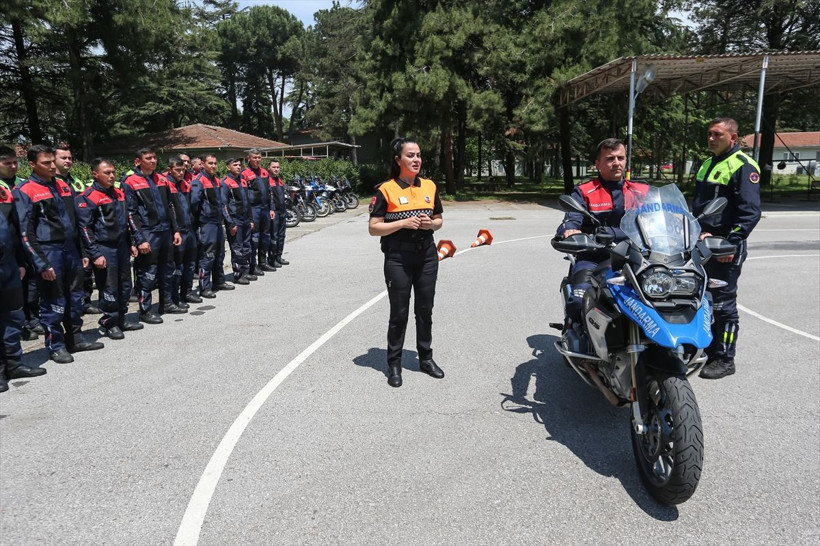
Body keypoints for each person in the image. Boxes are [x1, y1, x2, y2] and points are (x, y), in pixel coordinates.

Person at [14, 145, 104, 363]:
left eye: (52, 161)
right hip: (48, 251)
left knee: (75, 295)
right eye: (46, 163)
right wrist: (41, 263)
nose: (52, 166)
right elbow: (25, 232)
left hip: (71, 251)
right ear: (32, 165)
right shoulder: (25, 191)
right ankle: (56, 345)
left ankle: (76, 338)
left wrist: (82, 250)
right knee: (53, 300)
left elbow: (75, 222)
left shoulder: (63, 186)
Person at [368, 137, 444, 388]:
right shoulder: (386, 189)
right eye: (410, 155)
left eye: (419, 155)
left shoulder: (430, 186)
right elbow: (374, 228)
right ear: (398, 159)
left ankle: (425, 358)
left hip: (427, 256)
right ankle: (394, 363)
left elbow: (439, 219)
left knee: (425, 309)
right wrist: (402, 223)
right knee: (399, 313)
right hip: (398, 259)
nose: (416, 160)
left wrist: (430, 224)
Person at [692, 117, 761, 380]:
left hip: (724, 246)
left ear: (733, 137)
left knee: (723, 304)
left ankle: (724, 357)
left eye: (717, 135)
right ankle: (708, 347)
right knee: (702, 296)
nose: (711, 138)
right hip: (702, 243)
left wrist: (730, 242)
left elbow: (750, 213)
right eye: (709, 134)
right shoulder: (708, 163)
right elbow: (700, 206)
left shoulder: (743, 165)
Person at [555, 138, 649, 325]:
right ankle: (576, 335)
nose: (616, 163)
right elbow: (572, 218)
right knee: (579, 301)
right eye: (610, 159)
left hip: (637, 258)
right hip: (594, 257)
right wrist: (569, 230)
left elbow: (658, 220)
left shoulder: (642, 191)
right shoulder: (584, 191)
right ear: (598, 164)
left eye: (620, 158)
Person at [76, 159, 143, 339]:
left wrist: (131, 243)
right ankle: (109, 322)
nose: (111, 176)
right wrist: (95, 253)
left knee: (125, 285)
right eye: (107, 172)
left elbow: (125, 222)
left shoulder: (119, 194)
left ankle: (121, 319)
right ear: (95, 174)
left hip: (121, 246)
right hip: (104, 248)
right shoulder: (88, 197)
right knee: (109, 286)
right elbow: (84, 228)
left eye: (113, 172)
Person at [121, 147, 183, 324]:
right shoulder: (130, 182)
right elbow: (130, 213)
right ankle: (145, 310)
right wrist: (139, 239)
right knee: (147, 273)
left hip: (165, 232)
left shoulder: (162, 179)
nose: (153, 161)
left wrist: (175, 230)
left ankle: (167, 303)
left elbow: (171, 207)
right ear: (137, 162)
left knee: (167, 269)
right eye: (148, 158)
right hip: (148, 233)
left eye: (155, 157)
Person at [1, 158, 47, 391]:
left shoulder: (6, 192)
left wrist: (20, 261)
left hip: (8, 265)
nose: (12, 166)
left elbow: (16, 229)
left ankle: (14, 363)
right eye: (5, 162)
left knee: (13, 316)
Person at [0, 145, 41, 341]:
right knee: (17, 288)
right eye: (7, 163)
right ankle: (21, 323)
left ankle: (33, 317)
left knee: (32, 283)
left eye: (15, 162)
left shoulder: (23, 183)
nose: (13, 166)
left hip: (28, 242)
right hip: (10, 247)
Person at [55, 144, 101, 316]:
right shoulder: (53, 183)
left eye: (70, 158)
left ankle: (85, 301)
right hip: (62, 237)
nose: (68, 161)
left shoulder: (76, 182)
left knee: (85, 271)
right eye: (63, 158)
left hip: (80, 232)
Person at [190, 154, 234, 298]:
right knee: (207, 256)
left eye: (215, 163)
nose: (213, 166)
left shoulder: (216, 180)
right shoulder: (198, 181)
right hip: (206, 223)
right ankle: (204, 287)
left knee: (220, 253)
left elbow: (221, 203)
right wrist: (201, 219)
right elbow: (194, 204)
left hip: (217, 222)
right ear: (202, 164)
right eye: (210, 163)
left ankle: (219, 281)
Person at [164, 156, 200, 306]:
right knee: (177, 267)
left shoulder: (185, 184)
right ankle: (174, 297)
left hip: (189, 228)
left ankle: (187, 292)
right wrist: (175, 230)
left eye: (182, 170)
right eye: (177, 170)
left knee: (190, 264)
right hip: (177, 231)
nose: (180, 172)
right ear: (169, 170)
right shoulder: (166, 186)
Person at [220, 157, 254, 284]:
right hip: (235, 220)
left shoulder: (243, 181)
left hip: (245, 219)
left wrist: (251, 219)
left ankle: (245, 271)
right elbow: (223, 205)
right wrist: (230, 223)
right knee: (237, 248)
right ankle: (238, 274)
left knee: (247, 247)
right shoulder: (225, 182)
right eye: (235, 165)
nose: (238, 167)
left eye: (240, 165)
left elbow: (248, 202)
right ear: (228, 167)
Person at [242, 149, 274, 275]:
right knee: (254, 238)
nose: (257, 160)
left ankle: (263, 262)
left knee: (265, 236)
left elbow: (270, 191)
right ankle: (252, 265)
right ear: (248, 158)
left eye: (259, 157)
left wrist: (271, 208)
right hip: (254, 209)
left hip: (265, 208)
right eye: (254, 157)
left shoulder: (265, 172)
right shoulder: (244, 173)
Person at [267, 160, 289, 268]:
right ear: (269, 168)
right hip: (273, 211)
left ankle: (278, 256)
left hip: (282, 211)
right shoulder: (267, 180)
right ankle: (272, 258)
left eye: (278, 167)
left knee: (282, 235)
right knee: (274, 236)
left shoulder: (279, 180)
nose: (276, 169)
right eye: (274, 167)